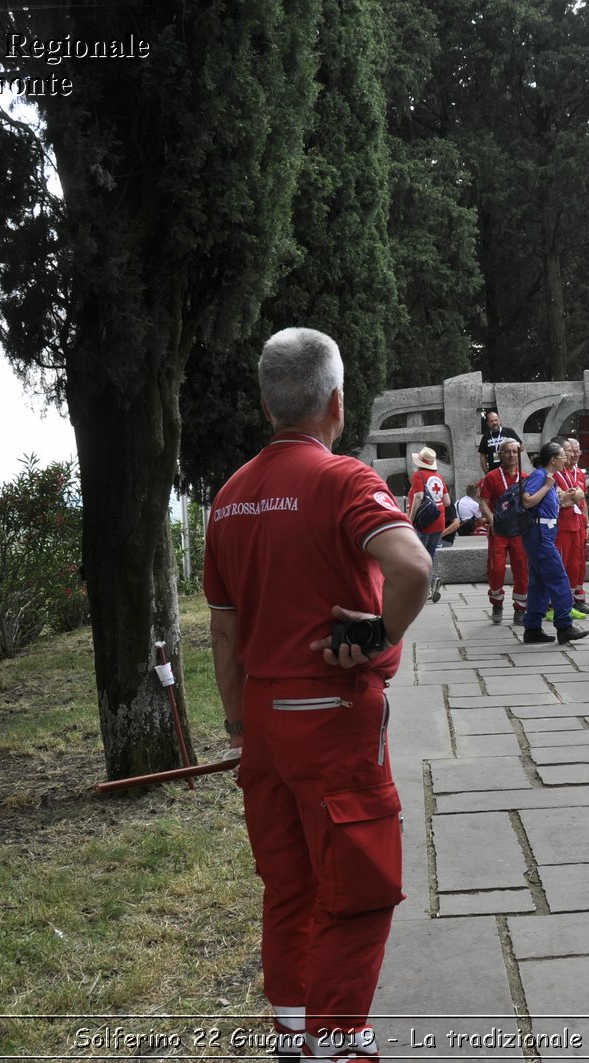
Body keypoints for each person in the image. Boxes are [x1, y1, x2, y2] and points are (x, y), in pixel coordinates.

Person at [204, 327, 431, 1063]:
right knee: (356, 889)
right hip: (332, 719)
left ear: (268, 404)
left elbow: (222, 630)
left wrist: (240, 721)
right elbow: (414, 568)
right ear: (336, 400)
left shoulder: (229, 499)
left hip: (265, 722)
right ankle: (338, 1048)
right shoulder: (344, 479)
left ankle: (296, 1038)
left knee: (289, 885)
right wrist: (376, 635)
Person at [518, 441, 589, 646]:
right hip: (540, 534)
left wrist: (562, 496)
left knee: (539, 582)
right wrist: (548, 487)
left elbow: (546, 504)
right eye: (562, 456)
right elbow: (527, 500)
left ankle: (532, 628)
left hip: (543, 532)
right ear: (552, 459)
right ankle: (564, 625)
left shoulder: (547, 477)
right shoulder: (541, 476)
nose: (565, 459)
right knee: (559, 577)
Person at [478, 439, 529, 625]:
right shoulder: (492, 476)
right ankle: (497, 603)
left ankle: (520, 607)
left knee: (521, 570)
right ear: (500, 454)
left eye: (515, 452)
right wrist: (491, 519)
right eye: (507, 451)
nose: (511, 455)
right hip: (499, 531)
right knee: (497, 569)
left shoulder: (524, 477)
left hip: (519, 531)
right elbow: (483, 501)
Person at [552, 437, 589, 617]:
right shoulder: (554, 474)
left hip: (577, 524)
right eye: (567, 451)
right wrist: (572, 497)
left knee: (576, 564)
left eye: (573, 450)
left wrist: (587, 523)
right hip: (562, 525)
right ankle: (555, 605)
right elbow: (562, 500)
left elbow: (580, 499)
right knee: (562, 564)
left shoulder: (572, 473)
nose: (571, 454)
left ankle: (570, 601)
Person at [407, 447, 449, 604]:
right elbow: (447, 502)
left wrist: (410, 519)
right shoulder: (438, 477)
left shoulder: (418, 475)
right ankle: (432, 583)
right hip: (439, 520)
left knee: (419, 556)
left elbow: (418, 497)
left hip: (423, 522)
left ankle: (427, 585)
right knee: (430, 554)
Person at [477, 410, 522, 475]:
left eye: (496, 420)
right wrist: (486, 473)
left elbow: (520, 448)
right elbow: (483, 456)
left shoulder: (509, 431)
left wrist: (517, 467)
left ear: (499, 420)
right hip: (493, 472)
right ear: (488, 423)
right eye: (491, 421)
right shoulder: (486, 436)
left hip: (510, 471)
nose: (494, 422)